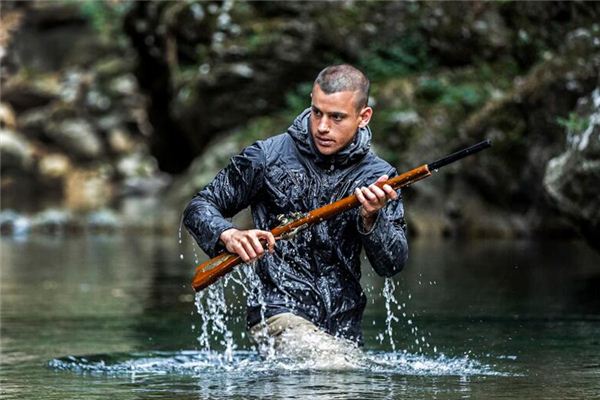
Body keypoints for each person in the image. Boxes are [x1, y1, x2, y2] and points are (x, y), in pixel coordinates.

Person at [183, 64, 408, 352]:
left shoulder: (379, 177)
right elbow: (200, 206)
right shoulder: (266, 156)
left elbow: (392, 264)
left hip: (344, 327)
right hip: (277, 314)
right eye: (317, 112)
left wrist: (372, 218)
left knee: (346, 376)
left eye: (336, 117)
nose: (322, 126)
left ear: (364, 117)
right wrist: (228, 234)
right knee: (332, 368)